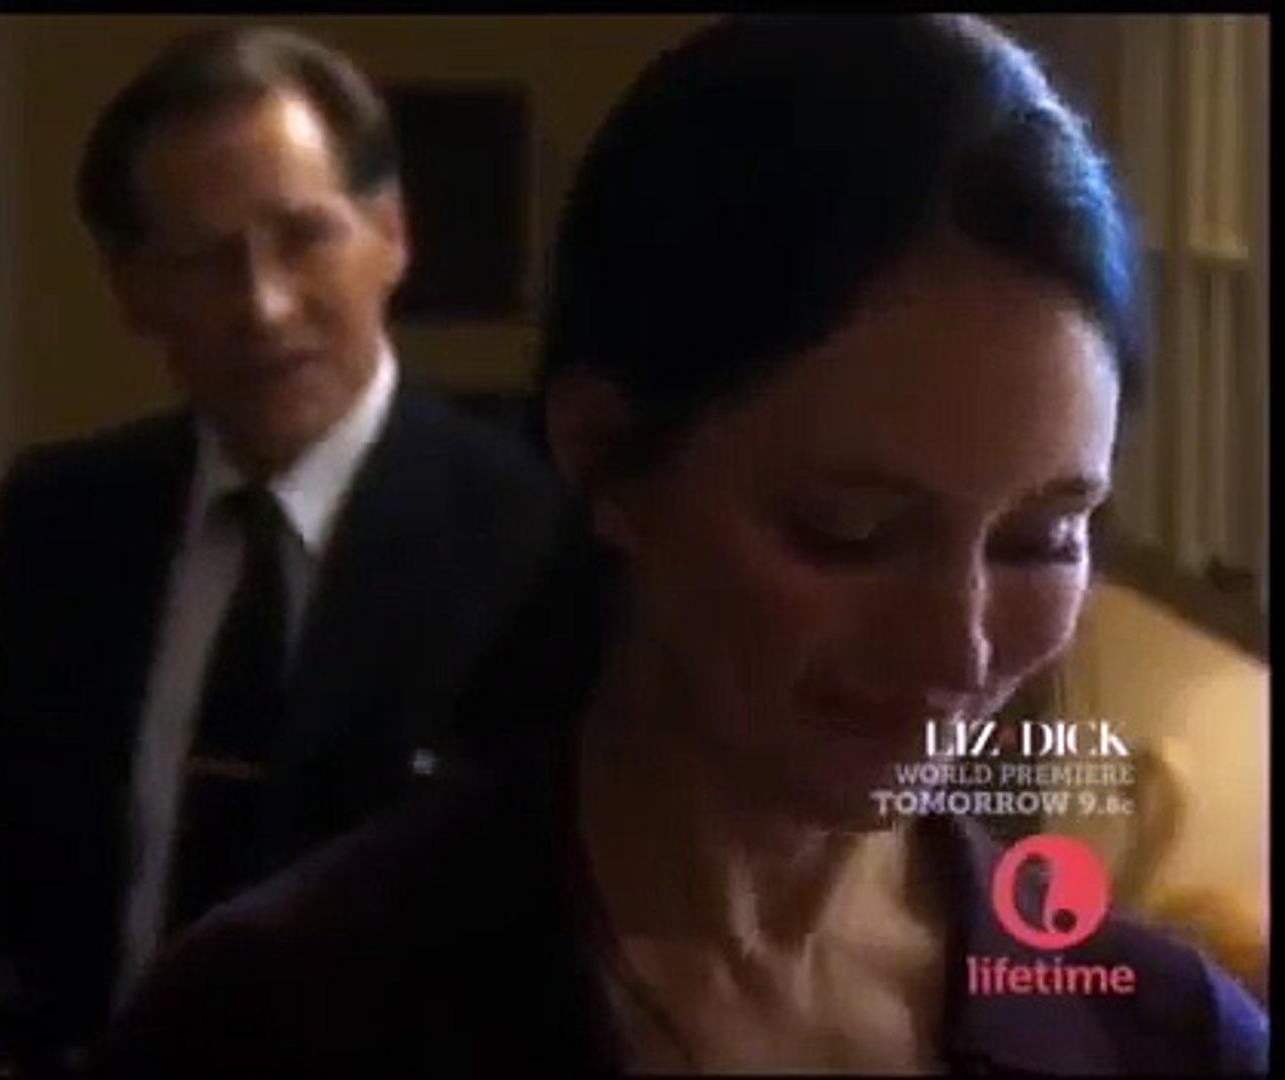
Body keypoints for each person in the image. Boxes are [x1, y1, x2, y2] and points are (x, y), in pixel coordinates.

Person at [95, 15, 1269, 1077]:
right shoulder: (276, 1021)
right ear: (606, 455)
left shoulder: (1167, 1039)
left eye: (1041, 538)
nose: (956, 647)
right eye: (850, 532)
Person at [0, 24, 564, 1076]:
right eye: (203, 259)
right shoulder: (61, 519)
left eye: (303, 237)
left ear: (391, 234)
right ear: (135, 288)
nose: (262, 306)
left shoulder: (533, 537)